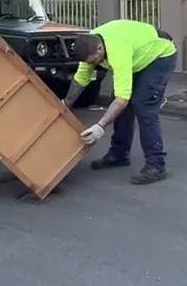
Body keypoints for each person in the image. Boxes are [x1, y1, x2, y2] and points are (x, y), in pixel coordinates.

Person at [62, 20, 177, 185]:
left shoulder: (117, 50)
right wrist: (65, 104)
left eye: (94, 61)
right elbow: (81, 79)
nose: (93, 65)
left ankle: (156, 165)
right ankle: (119, 154)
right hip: (137, 56)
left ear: (100, 49)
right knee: (120, 105)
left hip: (159, 56)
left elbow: (122, 98)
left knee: (143, 106)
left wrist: (100, 127)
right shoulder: (89, 45)